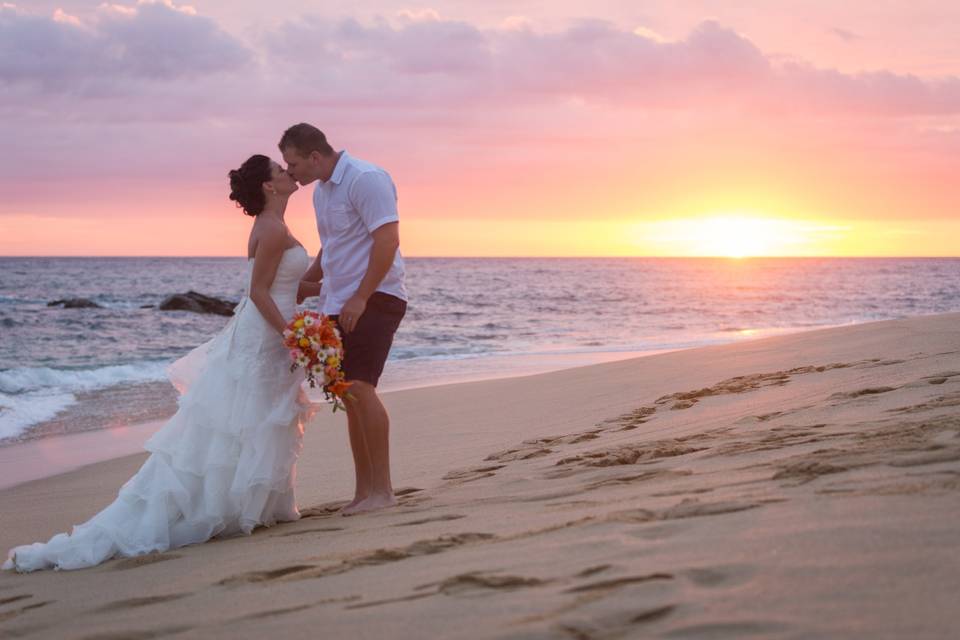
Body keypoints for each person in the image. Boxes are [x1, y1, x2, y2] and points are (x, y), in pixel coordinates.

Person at [3, 155, 312, 572]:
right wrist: (291, 335)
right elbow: (259, 292)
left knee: (253, 417)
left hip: (263, 333)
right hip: (263, 334)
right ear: (268, 187)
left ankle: (255, 505)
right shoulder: (273, 229)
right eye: (279, 169)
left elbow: (288, 286)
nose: (287, 171)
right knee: (246, 418)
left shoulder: (275, 227)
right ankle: (229, 507)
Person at [280, 123, 407, 516]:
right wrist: (310, 281)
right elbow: (332, 246)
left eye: (293, 163)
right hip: (339, 302)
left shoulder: (365, 178)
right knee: (349, 395)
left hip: (376, 298)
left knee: (361, 388)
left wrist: (361, 297)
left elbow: (388, 240)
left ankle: (383, 491)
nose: (290, 173)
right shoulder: (321, 190)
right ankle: (364, 492)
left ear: (314, 156)